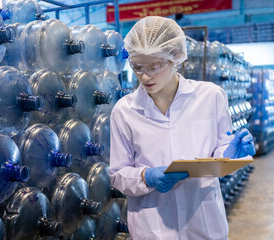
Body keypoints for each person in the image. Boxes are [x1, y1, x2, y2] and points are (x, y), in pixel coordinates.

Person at [109, 16, 255, 240]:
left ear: (175, 57)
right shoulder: (124, 110)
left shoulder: (210, 96)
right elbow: (118, 174)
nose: (145, 76)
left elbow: (221, 154)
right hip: (153, 228)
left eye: (154, 66)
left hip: (203, 224)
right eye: (137, 67)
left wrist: (229, 157)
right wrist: (147, 176)